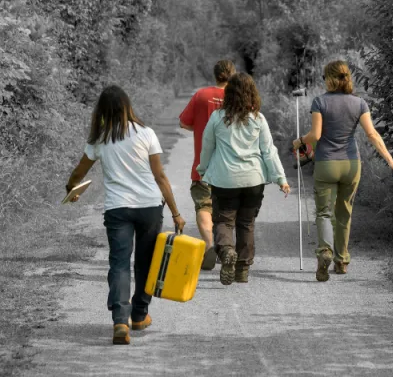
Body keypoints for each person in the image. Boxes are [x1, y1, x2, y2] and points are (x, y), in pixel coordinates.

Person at [65, 85, 185, 345]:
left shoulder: (100, 138)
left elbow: (78, 174)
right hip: (149, 208)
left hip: (118, 210)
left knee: (119, 264)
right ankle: (140, 315)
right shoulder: (146, 133)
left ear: (103, 111)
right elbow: (160, 176)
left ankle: (121, 321)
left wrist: (71, 191)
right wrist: (176, 212)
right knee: (145, 263)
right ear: (127, 106)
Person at [292, 60, 393, 282]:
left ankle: (325, 252)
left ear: (330, 79)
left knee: (324, 212)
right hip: (352, 164)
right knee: (344, 212)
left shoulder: (320, 102)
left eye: (325, 78)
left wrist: (299, 142)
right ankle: (341, 261)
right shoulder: (359, 103)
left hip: (327, 164)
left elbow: (315, 136)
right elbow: (373, 135)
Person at [197, 72, 291, 285]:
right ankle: (242, 270)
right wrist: (280, 178)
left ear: (229, 94)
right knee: (246, 223)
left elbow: (207, 147)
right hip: (253, 180)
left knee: (223, 220)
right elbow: (269, 151)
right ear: (251, 94)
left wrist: (202, 169)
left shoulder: (217, 118)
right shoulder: (258, 118)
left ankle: (227, 251)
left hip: (224, 179)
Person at [179, 60, 236, 270]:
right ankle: (226, 247)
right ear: (233, 74)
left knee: (204, 205)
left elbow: (184, 122)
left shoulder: (201, 95)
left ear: (215, 75)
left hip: (203, 165)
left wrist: (201, 126)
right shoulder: (237, 97)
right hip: (230, 166)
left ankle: (210, 245)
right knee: (227, 210)